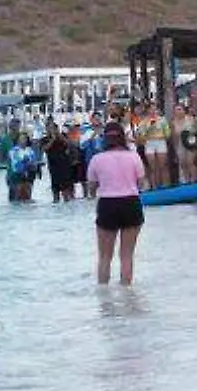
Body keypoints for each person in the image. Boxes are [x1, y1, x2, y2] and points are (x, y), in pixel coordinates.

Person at [84, 121, 146, 284]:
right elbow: (141, 183)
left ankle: (105, 302)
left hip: (107, 204)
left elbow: (91, 188)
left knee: (104, 256)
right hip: (131, 203)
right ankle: (127, 297)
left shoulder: (97, 159)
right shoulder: (134, 156)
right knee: (126, 255)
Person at [43, 121, 82, 202]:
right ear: (46, 129)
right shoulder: (45, 139)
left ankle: (67, 208)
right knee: (55, 191)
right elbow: (45, 149)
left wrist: (59, 136)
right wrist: (53, 139)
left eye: (53, 128)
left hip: (65, 166)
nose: (52, 130)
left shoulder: (62, 137)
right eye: (49, 128)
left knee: (66, 191)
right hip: (53, 167)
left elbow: (69, 144)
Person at [8, 132, 41, 203]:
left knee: (28, 197)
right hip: (17, 176)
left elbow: (34, 162)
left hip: (29, 175)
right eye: (21, 139)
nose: (23, 141)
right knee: (17, 197)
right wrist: (26, 163)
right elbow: (16, 164)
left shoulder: (30, 150)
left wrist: (30, 164)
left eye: (25, 139)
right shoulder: (13, 151)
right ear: (18, 140)